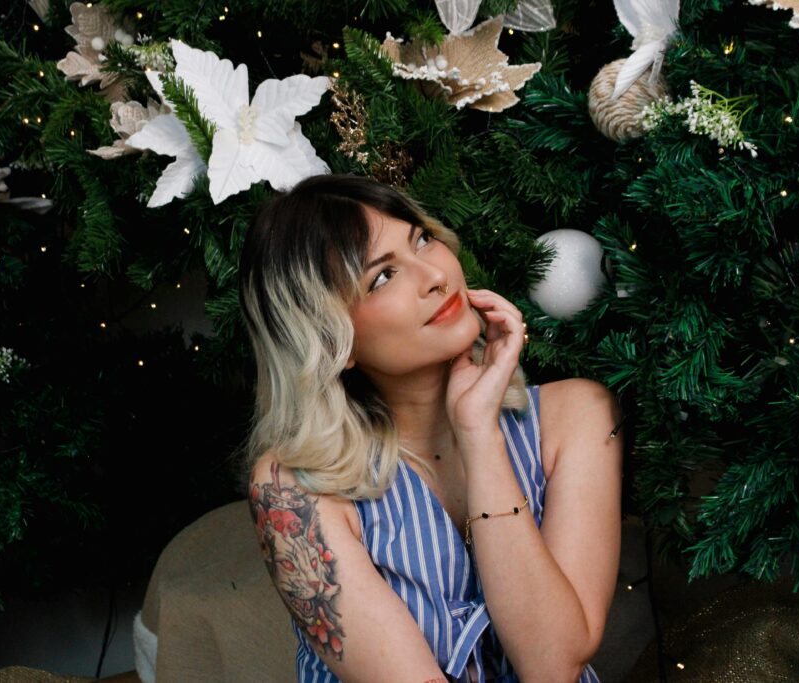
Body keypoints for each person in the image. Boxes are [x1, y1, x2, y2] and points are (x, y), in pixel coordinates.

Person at [238, 174, 623, 683]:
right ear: (332, 341)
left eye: (422, 240)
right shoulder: (291, 490)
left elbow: (553, 662)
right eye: (382, 276)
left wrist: (479, 432)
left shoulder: (577, 415)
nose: (435, 276)